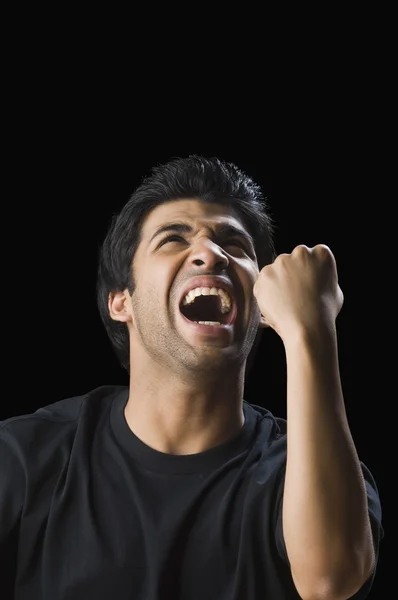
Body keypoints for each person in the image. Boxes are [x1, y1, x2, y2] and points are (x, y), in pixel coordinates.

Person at [0, 155, 383, 600]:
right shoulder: (25, 460)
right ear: (120, 301)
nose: (211, 252)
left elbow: (330, 582)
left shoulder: (305, 471)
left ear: (260, 305)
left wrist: (310, 329)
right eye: (172, 239)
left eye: (234, 244)